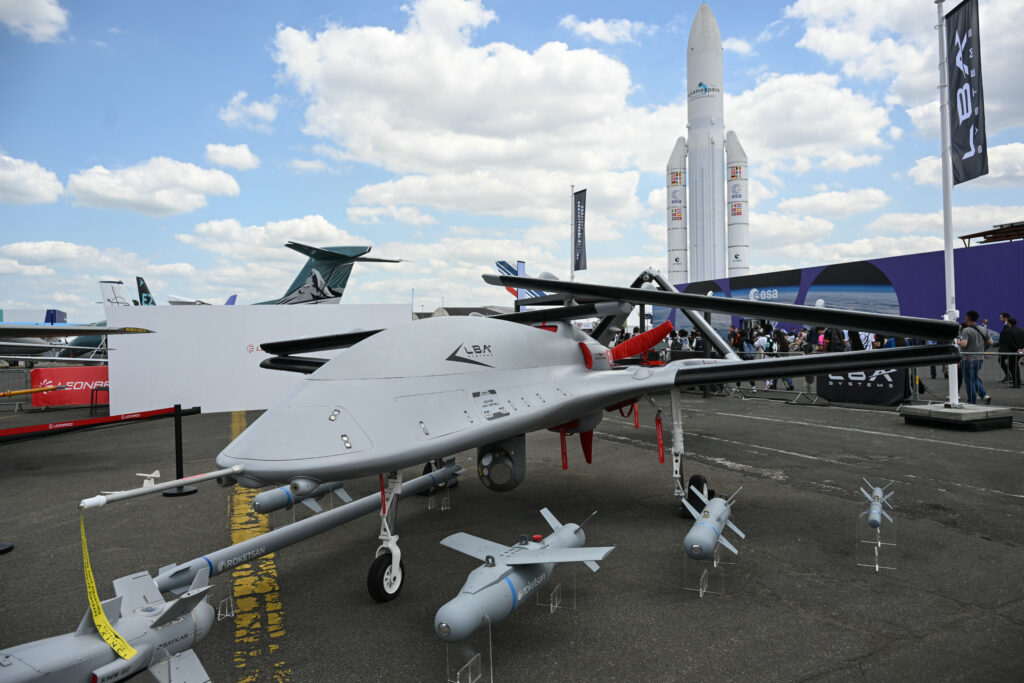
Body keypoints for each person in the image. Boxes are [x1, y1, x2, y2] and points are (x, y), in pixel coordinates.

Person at [957, 310, 991, 405]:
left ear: (967, 318)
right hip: (979, 358)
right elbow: (990, 342)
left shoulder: (966, 330)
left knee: (969, 381)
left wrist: (957, 342)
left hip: (968, 358)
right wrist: (981, 348)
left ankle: (971, 401)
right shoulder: (983, 329)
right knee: (974, 378)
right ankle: (984, 395)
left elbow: (964, 344)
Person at [1000, 317, 1024, 388]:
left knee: (1012, 366)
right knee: (1014, 365)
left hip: (1011, 351)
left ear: (1009, 323)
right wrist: (1021, 348)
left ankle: (1017, 382)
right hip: (1020, 350)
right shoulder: (1021, 330)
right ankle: (1016, 381)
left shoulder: (1007, 331)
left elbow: (1007, 341)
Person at [997, 312, 1012, 381]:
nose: (1000, 319)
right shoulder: (1006, 325)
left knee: (1001, 360)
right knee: (1003, 360)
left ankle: (1009, 376)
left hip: (1007, 348)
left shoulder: (1008, 326)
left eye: (1001, 317)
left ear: (1005, 318)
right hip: (1006, 347)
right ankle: (1009, 376)